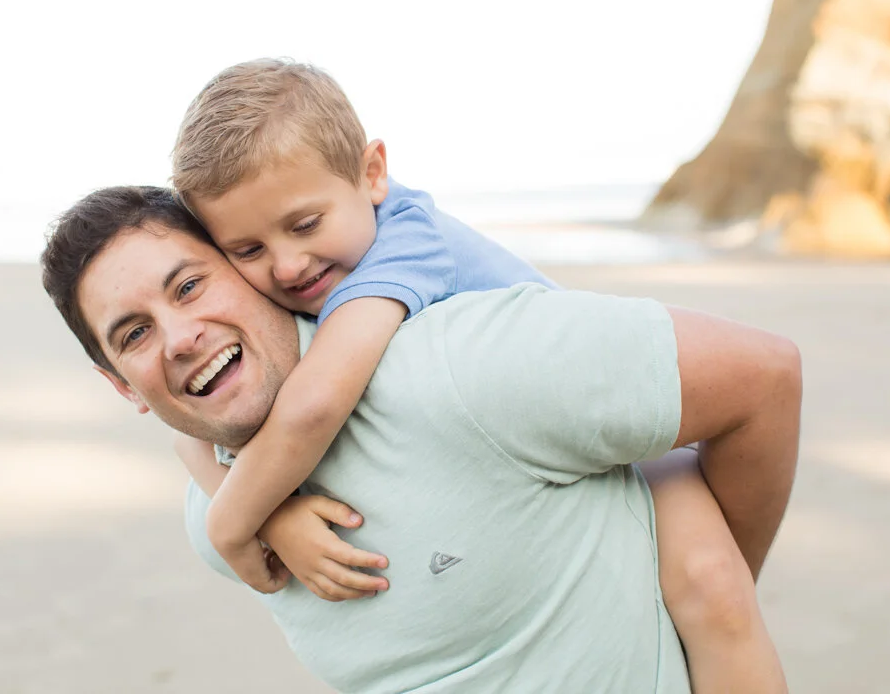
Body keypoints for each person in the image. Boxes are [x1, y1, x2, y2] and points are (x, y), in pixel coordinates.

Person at [167, 59, 785, 687]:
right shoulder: (320, 263)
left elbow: (317, 403)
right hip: (540, 449)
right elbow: (189, 426)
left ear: (372, 173)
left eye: (305, 225)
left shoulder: (404, 246)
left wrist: (236, 518)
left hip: (613, 430)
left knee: (715, 587)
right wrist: (269, 513)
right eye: (247, 250)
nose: (288, 264)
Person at [40, 185, 801, 692]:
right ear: (120, 385)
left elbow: (764, 376)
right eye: (134, 333)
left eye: (190, 285)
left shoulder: (455, 364)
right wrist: (254, 510)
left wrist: (712, 588)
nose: (178, 337)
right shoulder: (217, 531)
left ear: (249, 269)